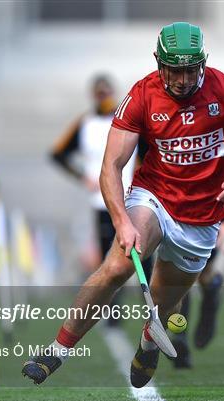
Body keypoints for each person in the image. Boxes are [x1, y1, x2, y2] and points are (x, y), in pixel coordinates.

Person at [22, 22, 224, 388]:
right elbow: (111, 167)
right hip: (154, 197)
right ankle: (58, 348)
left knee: (164, 306)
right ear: (158, 61)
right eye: (174, 69)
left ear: (203, 63)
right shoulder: (142, 96)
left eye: (190, 69)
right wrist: (122, 221)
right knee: (117, 267)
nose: (182, 79)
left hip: (202, 218)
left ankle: (148, 343)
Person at [136, 136, 224, 368]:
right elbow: (140, 168)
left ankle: (211, 295)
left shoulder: (218, 126)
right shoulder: (156, 125)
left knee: (201, 274)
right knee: (177, 274)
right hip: (169, 211)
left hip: (209, 215)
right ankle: (180, 338)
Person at [50, 75, 144, 325]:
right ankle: (115, 311)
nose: (104, 97)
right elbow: (58, 154)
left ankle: (150, 309)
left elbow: (146, 150)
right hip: (103, 200)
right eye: (99, 93)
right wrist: (83, 177)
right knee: (110, 257)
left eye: (107, 92)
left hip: (135, 197)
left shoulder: (127, 117)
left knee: (145, 254)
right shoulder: (85, 122)